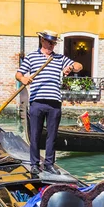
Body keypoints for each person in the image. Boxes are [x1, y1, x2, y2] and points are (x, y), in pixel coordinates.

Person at [16, 29, 83, 176]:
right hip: (37, 102)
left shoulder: (59, 58)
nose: (52, 45)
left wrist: (70, 67)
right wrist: (23, 79)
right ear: (42, 40)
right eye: (50, 42)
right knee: (35, 135)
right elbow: (19, 73)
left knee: (52, 136)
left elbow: (79, 66)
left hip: (54, 102)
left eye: (54, 43)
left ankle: (48, 164)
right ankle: (34, 164)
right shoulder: (32, 57)